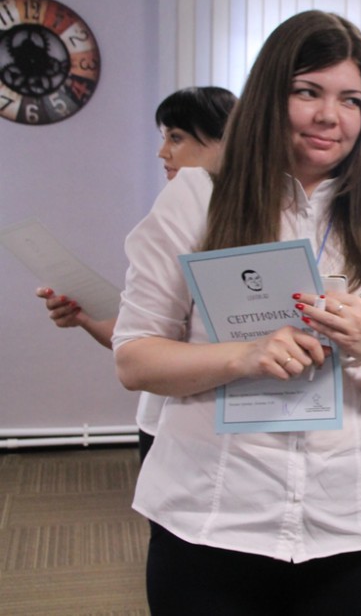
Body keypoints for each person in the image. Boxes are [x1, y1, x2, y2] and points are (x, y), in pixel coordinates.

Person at [111, 11, 361, 615]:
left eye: (351, 100)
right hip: (213, 522)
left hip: (352, 527)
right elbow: (135, 359)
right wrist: (244, 355)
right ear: (269, 97)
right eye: (308, 91)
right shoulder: (196, 201)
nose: (330, 115)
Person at [35, 85, 236, 462]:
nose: (163, 152)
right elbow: (143, 348)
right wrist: (85, 318)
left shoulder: (255, 224)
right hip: (161, 420)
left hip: (224, 429)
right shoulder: (170, 219)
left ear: (224, 140)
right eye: (164, 137)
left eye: (176, 138)